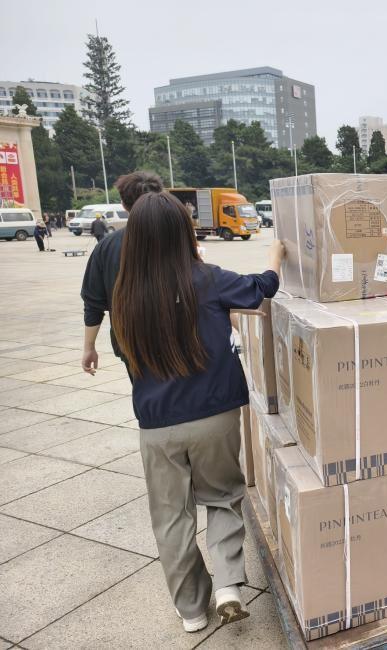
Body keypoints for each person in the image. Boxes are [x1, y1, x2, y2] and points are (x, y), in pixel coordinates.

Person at [108, 191, 285, 632]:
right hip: (214, 415)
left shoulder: (124, 296)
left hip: (157, 424)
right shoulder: (207, 279)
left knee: (171, 517)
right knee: (222, 497)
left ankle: (190, 609)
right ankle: (228, 585)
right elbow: (262, 288)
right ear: (184, 234)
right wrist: (275, 257)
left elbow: (123, 354)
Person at [81, 172, 164, 378]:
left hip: (129, 340)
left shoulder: (106, 247)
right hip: (175, 336)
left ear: (124, 205)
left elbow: (93, 302)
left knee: (144, 392)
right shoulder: (176, 237)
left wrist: (89, 347)